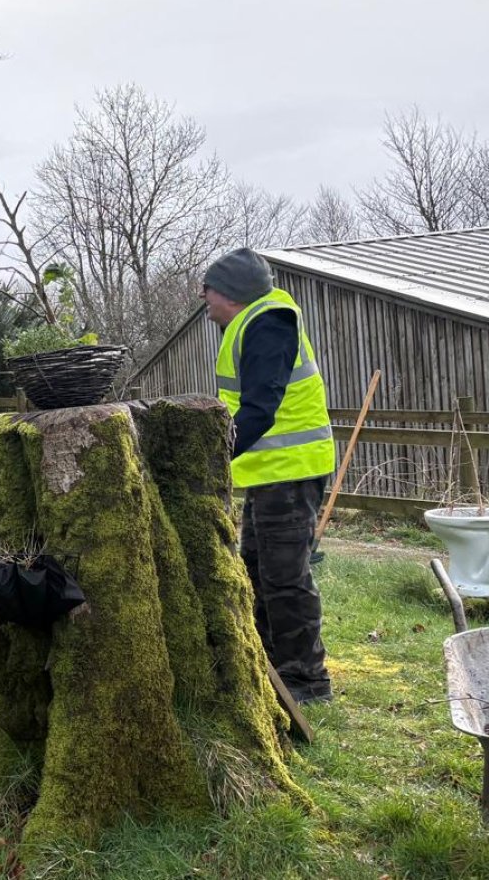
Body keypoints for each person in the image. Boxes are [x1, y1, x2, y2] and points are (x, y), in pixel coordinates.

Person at [201, 248, 335, 705]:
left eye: (210, 289)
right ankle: (269, 668)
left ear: (232, 292)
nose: (204, 298)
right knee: (258, 569)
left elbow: (260, 407)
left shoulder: (269, 324)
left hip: (292, 473)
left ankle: (307, 682)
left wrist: (211, 455)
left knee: (284, 576)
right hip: (272, 473)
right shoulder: (250, 323)